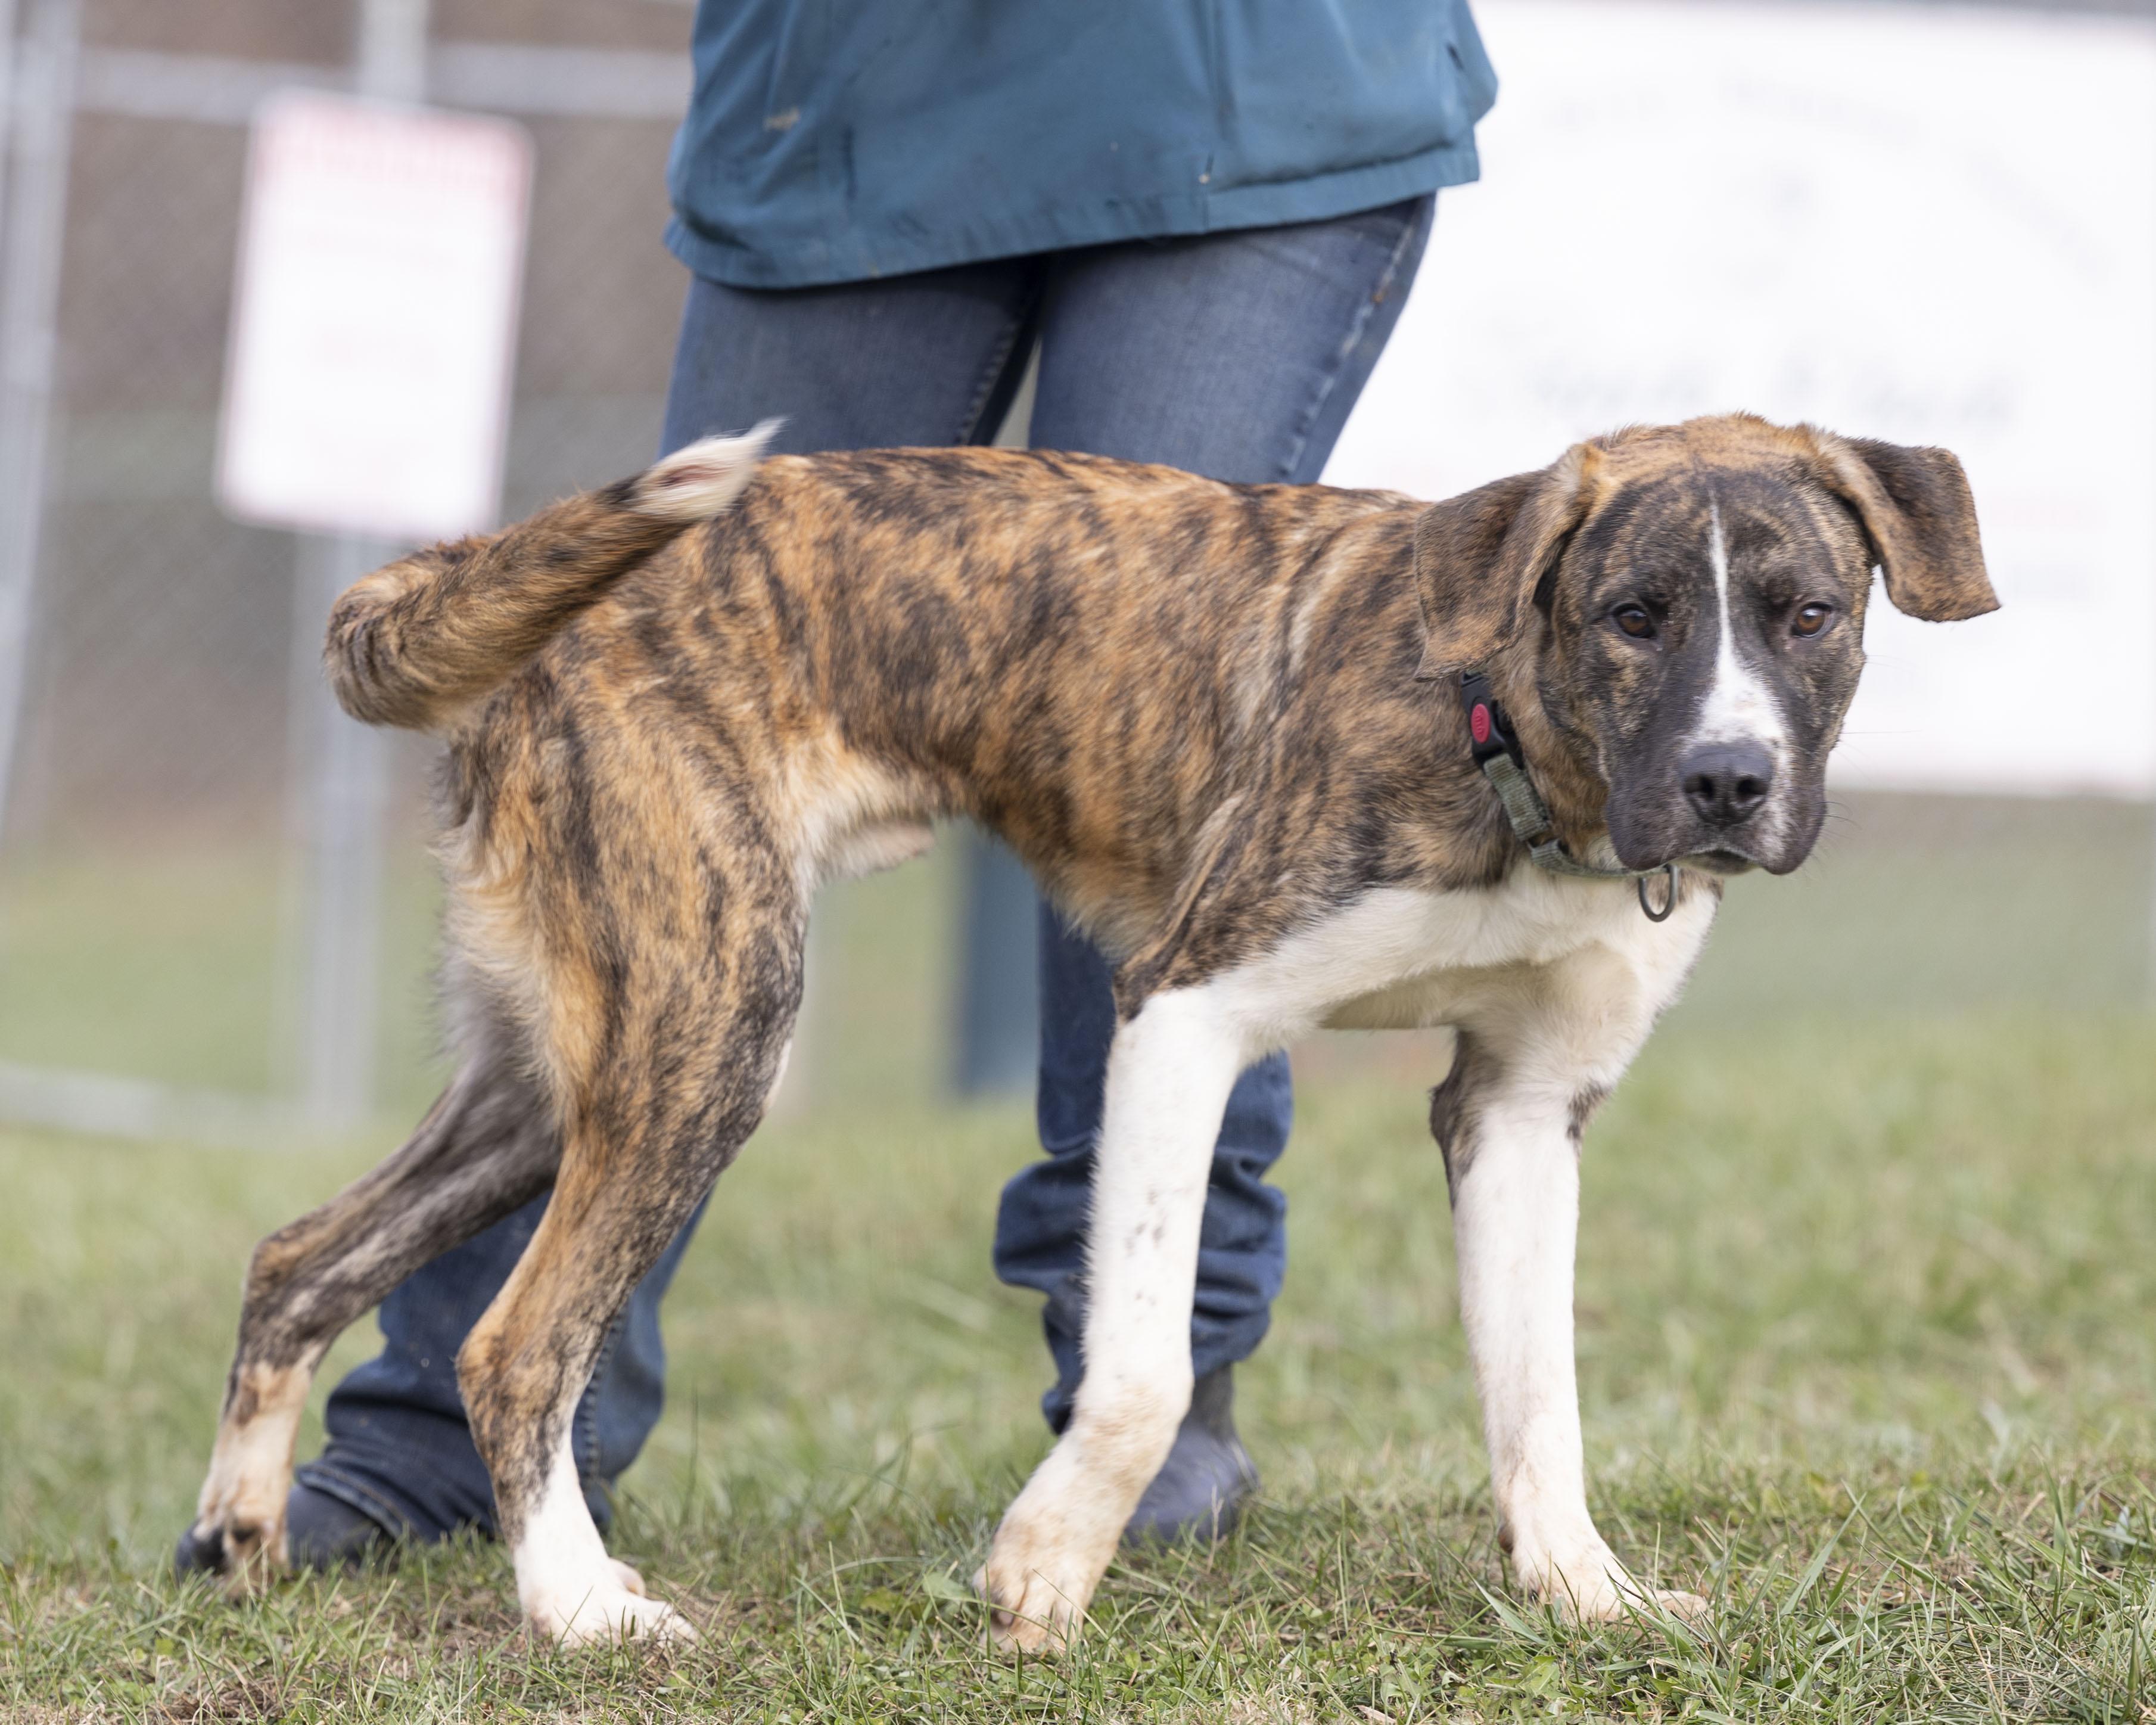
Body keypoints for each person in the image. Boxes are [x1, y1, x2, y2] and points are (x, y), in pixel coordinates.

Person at [181, 0, 1497, 1572]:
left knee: (1179, 760)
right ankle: (453, 1442)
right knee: (646, 761)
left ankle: (1144, 1407)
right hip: (845, 107)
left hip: (1245, 95)